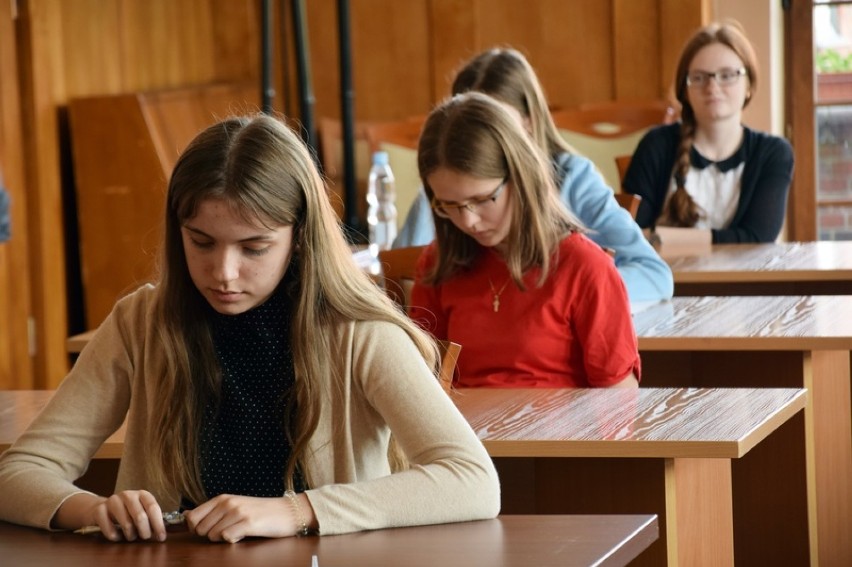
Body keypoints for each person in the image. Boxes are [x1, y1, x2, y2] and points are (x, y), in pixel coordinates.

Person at [0, 114, 500, 542]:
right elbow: (18, 473)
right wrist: (90, 510)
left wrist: (297, 511)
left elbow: (473, 481)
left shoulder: (361, 333)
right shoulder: (140, 323)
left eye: (254, 248)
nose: (224, 272)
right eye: (202, 242)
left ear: (300, 238)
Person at [394, 48, 673, 304]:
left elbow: (653, 273)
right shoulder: (446, 193)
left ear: (529, 119)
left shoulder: (573, 177)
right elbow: (400, 276)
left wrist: (566, 295)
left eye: (496, 119)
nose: (468, 217)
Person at [409, 92, 640, 389]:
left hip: (560, 434)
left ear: (521, 177)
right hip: (466, 433)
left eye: (482, 199)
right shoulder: (437, 264)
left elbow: (619, 400)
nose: (468, 220)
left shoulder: (584, 267)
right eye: (449, 205)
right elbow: (424, 386)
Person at [623, 21, 794, 245]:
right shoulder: (656, 144)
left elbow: (757, 239)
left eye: (727, 75)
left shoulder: (774, 152)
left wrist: (663, 237)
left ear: (749, 85)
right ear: (684, 89)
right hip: (666, 278)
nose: (712, 87)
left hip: (745, 279)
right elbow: (633, 235)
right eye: (699, 77)